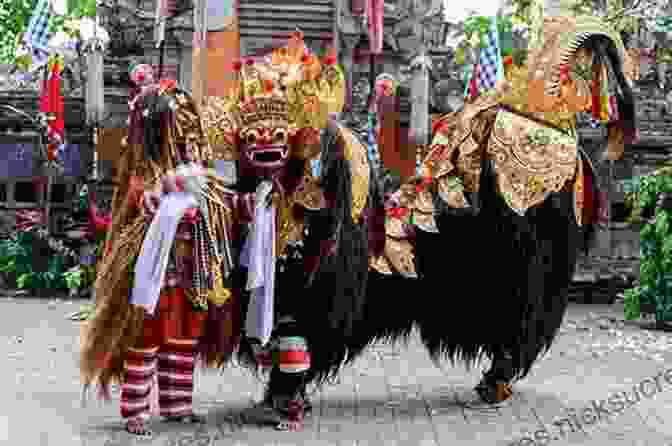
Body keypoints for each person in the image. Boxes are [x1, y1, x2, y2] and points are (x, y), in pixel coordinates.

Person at [80, 63, 238, 437]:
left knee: (185, 335)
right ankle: (135, 409)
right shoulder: (142, 174)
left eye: (188, 126)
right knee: (147, 335)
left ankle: (178, 405)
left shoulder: (201, 170)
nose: (185, 136)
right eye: (176, 128)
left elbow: (218, 204)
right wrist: (164, 191)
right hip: (154, 272)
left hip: (191, 270)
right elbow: (140, 200)